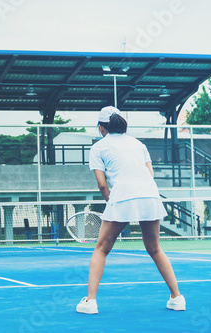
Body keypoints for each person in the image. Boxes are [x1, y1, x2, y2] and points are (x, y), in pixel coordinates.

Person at [76, 106, 185, 314]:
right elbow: (149, 174)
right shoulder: (139, 144)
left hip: (123, 195)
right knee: (155, 248)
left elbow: (101, 185)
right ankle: (177, 297)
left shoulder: (98, 147)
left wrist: (111, 201)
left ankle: (90, 302)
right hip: (150, 194)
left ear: (101, 128)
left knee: (101, 249)